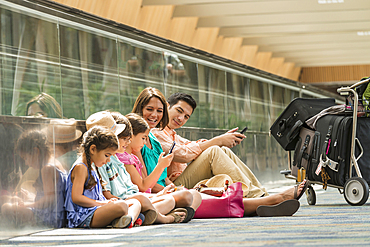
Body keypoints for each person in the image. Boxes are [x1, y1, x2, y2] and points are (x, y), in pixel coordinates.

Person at [151, 92, 268, 198]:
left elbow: (192, 145)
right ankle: (256, 197)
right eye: (179, 111)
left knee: (223, 150)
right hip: (173, 186)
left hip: (184, 181)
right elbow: (183, 155)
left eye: (186, 117)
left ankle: (262, 193)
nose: (181, 118)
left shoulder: (173, 135)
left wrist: (222, 139)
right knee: (214, 151)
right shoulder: (155, 132)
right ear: (167, 106)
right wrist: (218, 140)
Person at [86, 111, 188, 224]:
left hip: (130, 198)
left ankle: (140, 217)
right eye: (123, 138)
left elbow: (132, 188)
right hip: (124, 201)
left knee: (168, 200)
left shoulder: (115, 159)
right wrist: (160, 166)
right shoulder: (102, 163)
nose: (128, 142)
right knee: (141, 201)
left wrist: (157, 194)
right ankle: (162, 218)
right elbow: (139, 187)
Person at [64, 126, 142, 228]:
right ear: (93, 149)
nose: (108, 160)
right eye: (107, 155)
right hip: (85, 216)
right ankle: (128, 219)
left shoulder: (91, 165)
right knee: (122, 206)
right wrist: (101, 204)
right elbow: (76, 198)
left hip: (96, 210)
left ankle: (128, 220)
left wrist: (107, 202)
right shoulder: (81, 167)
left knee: (135, 202)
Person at [1, 130, 66, 227]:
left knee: (6, 208)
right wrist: (31, 197)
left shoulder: (47, 168)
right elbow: (52, 195)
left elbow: (50, 200)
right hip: (50, 213)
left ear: (36, 151)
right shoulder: (53, 162)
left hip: (49, 218)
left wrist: (28, 204)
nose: (26, 163)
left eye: (25, 158)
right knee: (5, 198)